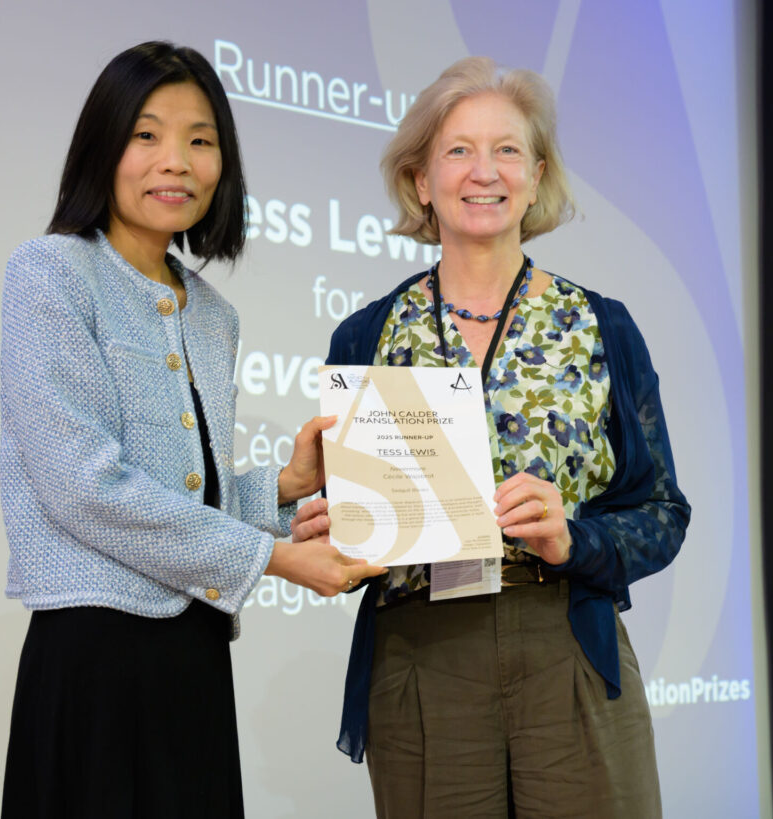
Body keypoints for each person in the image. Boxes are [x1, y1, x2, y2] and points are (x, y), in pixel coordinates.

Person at [293, 57, 690, 817]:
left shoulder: (602, 326)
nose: (485, 171)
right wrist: (323, 528)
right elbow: (343, 529)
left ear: (537, 177)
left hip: (566, 642)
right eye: (458, 150)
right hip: (422, 654)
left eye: (508, 149)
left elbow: (663, 513)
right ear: (420, 181)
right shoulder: (365, 334)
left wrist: (576, 539)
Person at [0, 41, 384, 818]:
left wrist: (285, 486)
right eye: (146, 134)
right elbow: (86, 488)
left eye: (200, 140)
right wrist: (275, 557)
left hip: (194, 654)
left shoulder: (213, 314)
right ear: (102, 146)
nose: (175, 161)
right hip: (91, 657)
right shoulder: (49, 273)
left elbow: (188, 493)